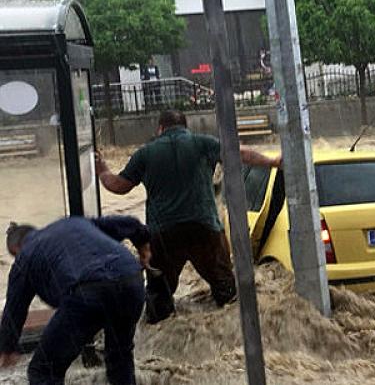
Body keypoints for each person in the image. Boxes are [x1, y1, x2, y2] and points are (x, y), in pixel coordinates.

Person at [94, 109, 280, 324]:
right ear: (185, 126)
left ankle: (160, 328)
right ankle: (229, 329)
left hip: (163, 234)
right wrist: (272, 161)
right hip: (205, 229)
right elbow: (240, 153)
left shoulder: (144, 153)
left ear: (160, 128)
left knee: (159, 299)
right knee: (227, 293)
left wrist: (102, 170)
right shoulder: (203, 143)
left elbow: (118, 186)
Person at [0, 216, 151, 384]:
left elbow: (14, 309)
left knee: (43, 370)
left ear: (17, 248)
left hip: (87, 292)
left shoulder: (25, 255)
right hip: (131, 280)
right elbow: (129, 224)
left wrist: (7, 348)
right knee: (120, 358)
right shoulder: (74, 224)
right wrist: (143, 246)